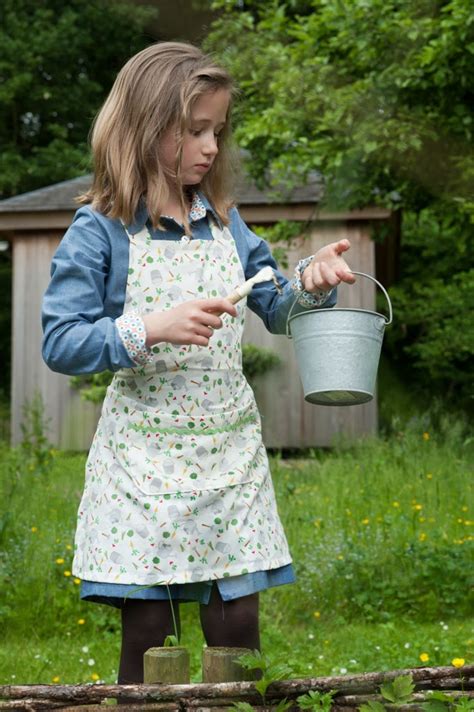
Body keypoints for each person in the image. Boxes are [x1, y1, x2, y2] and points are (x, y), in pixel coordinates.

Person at [41, 41, 355, 685]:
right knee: (151, 634)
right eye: (193, 130)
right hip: (144, 464)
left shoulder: (227, 225)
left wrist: (316, 282)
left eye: (217, 130)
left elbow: (279, 308)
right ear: (143, 129)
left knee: (238, 627)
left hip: (228, 456)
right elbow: (61, 340)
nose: (211, 146)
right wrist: (149, 329)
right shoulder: (100, 230)